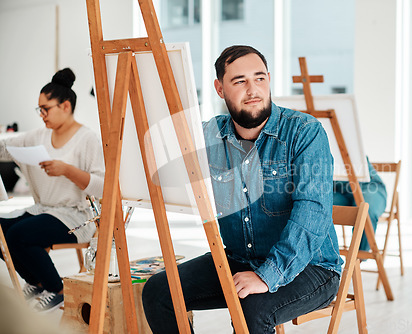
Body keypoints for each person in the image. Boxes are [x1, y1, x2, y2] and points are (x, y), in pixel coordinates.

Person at [142, 45, 343, 333]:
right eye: (240, 81)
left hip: (311, 266)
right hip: (240, 259)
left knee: (252, 308)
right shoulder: (208, 136)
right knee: (159, 292)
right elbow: (162, 144)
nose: (253, 90)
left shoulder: (304, 132)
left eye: (259, 78)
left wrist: (266, 276)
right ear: (220, 89)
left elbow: (313, 213)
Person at [0, 68, 104, 312]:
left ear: (65, 106)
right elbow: (5, 148)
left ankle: (57, 289)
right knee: (2, 232)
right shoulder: (38, 136)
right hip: (43, 210)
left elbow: (102, 184)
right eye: (40, 109)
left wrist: (67, 169)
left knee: (20, 235)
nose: (41, 115)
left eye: (45, 109)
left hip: (77, 217)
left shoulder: (87, 139)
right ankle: (36, 282)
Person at [333, 157, 387, 251]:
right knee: (314, 205)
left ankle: (357, 260)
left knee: (366, 210)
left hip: (368, 186)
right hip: (337, 188)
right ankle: (317, 259)